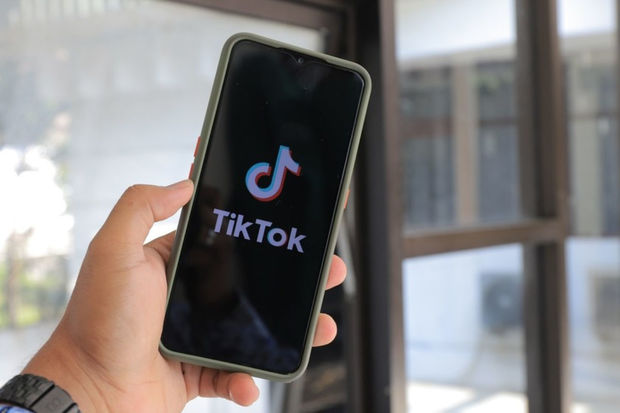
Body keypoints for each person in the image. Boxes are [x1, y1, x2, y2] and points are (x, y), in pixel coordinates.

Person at [0, 180, 346, 412]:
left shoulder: (204, 320)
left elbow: (274, 357)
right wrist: (89, 376)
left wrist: (90, 380)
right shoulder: (159, 318)